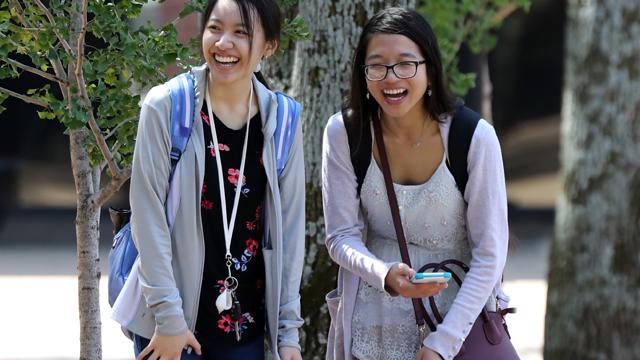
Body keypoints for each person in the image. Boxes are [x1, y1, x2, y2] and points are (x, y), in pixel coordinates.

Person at [322, 7, 510, 360]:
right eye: (376, 65)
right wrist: (384, 275)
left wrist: (443, 343)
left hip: (459, 322)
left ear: (430, 68)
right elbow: (340, 235)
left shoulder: (472, 137)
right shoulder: (345, 133)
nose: (391, 78)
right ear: (363, 74)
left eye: (406, 64)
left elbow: (490, 254)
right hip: (372, 320)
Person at [125, 0, 305, 359]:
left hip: (244, 329)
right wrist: (169, 318)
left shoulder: (283, 120)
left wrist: (287, 335)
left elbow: (290, 232)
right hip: (173, 325)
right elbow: (147, 218)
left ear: (269, 46)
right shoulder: (167, 107)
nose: (224, 43)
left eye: (241, 33)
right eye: (215, 28)